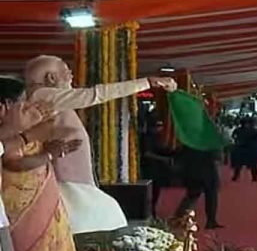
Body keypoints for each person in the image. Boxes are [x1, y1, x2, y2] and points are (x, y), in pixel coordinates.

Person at [23, 55, 177, 234]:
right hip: (68, 187)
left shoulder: (49, 99)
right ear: (51, 78)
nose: (71, 75)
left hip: (73, 184)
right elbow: (93, 95)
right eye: (66, 71)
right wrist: (147, 82)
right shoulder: (43, 95)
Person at [0, 77, 84, 251]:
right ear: (3, 107)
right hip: (18, 206)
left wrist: (37, 140)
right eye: (22, 105)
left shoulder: (16, 133)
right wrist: (44, 149)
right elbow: (11, 159)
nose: (29, 109)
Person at [173, 145, 223, 229]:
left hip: (193, 169)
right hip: (207, 169)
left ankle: (178, 217)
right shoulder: (208, 140)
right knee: (210, 195)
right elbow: (216, 155)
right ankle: (211, 220)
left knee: (193, 195)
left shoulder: (189, 140)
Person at [140, 114, 174, 218]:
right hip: (148, 168)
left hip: (156, 169)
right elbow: (147, 153)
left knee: (156, 191)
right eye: (158, 126)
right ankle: (149, 211)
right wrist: (164, 159)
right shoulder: (147, 138)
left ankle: (153, 211)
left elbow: (160, 150)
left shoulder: (156, 137)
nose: (160, 129)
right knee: (150, 192)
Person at [231, 117, 257, 182]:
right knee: (253, 164)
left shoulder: (238, 130)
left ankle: (236, 176)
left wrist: (237, 141)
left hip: (240, 148)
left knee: (238, 164)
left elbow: (233, 136)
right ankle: (254, 178)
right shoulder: (254, 130)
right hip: (251, 149)